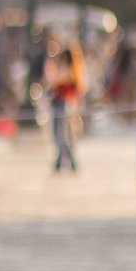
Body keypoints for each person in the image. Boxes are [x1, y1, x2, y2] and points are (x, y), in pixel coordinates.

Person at [45, 31, 83, 173]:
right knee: (59, 134)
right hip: (60, 103)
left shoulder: (69, 70)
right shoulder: (63, 67)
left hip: (65, 103)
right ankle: (61, 161)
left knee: (64, 134)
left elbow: (55, 79)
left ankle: (70, 161)